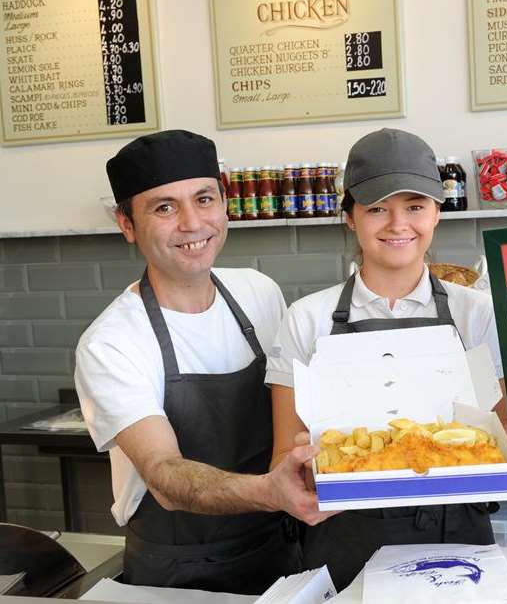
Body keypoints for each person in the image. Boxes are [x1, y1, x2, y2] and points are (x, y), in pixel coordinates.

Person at [75, 130, 331, 594]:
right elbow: (164, 476)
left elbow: (296, 409)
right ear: (127, 224)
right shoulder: (111, 342)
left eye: (204, 198)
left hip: (279, 548)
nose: (193, 224)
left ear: (225, 203)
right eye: (164, 207)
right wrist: (270, 492)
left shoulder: (260, 292)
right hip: (179, 570)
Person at [266, 128, 507, 590]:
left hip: (456, 541)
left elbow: (498, 445)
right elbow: (282, 457)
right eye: (377, 207)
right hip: (341, 539)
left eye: (415, 206)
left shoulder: (477, 314)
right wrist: (304, 468)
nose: (398, 224)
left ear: (437, 213)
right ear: (350, 217)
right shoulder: (307, 319)